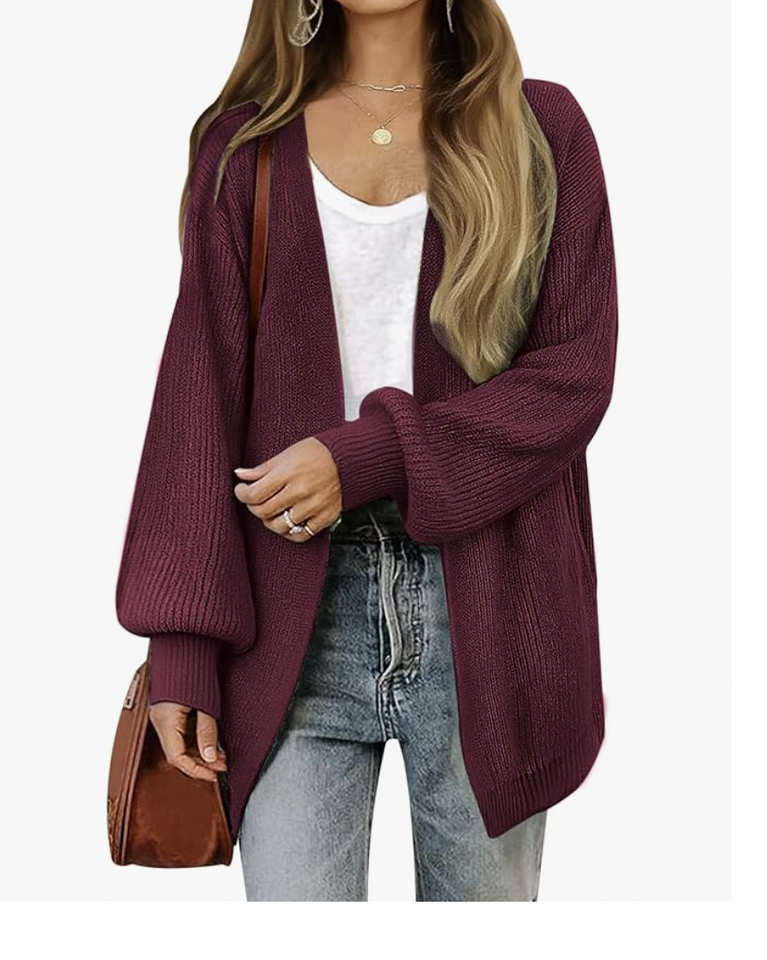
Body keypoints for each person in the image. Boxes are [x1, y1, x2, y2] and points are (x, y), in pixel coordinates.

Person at [115, 0, 618, 901]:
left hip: (491, 604)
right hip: (287, 615)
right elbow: (196, 400)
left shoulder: (540, 129)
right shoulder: (245, 150)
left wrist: (368, 456)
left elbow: (572, 376)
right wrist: (182, 642)